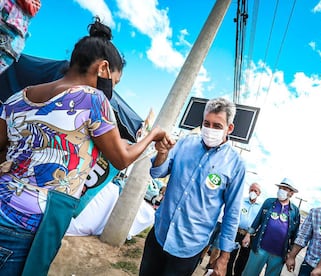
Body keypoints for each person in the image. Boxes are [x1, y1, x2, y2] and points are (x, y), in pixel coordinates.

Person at [0, 17, 165, 276]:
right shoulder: (93, 99)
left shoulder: (17, 98)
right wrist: (152, 134)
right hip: (31, 223)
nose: (112, 89)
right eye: (115, 81)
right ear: (103, 69)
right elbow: (121, 159)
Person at [139, 97, 246, 276]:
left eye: (217, 126)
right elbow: (157, 172)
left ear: (229, 128)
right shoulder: (185, 143)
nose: (210, 129)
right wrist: (162, 153)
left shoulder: (236, 165)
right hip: (159, 234)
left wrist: (223, 258)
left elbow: (232, 213)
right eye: (207, 123)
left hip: (189, 247)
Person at [241, 178, 301, 276]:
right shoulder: (269, 202)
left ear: (291, 193)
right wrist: (248, 234)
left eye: (285, 189)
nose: (281, 190)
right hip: (260, 249)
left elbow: (295, 234)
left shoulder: (295, 211)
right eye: (280, 188)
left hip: (279, 255)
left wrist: (291, 254)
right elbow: (257, 220)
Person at [226, 182, 262, 276]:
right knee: (230, 255)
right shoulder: (241, 201)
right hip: (236, 233)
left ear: (259, 193)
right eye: (251, 190)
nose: (253, 192)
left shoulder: (260, 207)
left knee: (243, 259)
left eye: (255, 191)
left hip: (249, 236)